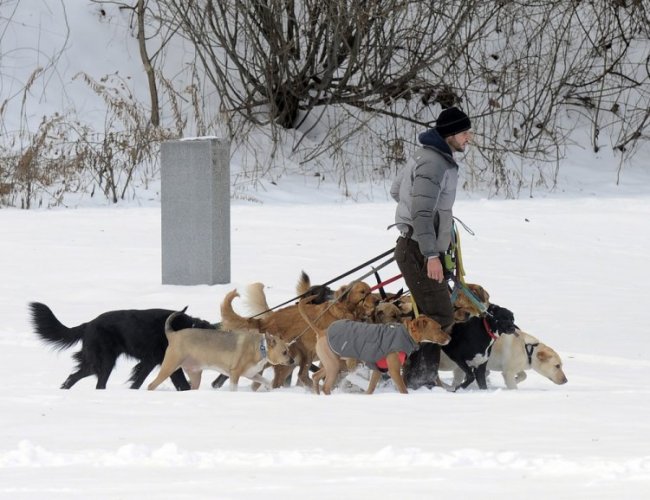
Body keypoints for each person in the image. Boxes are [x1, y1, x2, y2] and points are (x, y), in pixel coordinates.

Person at [390, 106, 472, 389]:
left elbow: (395, 190)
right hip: (419, 251)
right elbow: (422, 212)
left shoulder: (428, 156)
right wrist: (431, 254)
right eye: (464, 133)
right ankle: (419, 380)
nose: (468, 138)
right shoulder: (434, 163)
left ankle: (415, 375)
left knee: (433, 312)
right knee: (439, 315)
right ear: (450, 134)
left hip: (415, 245)